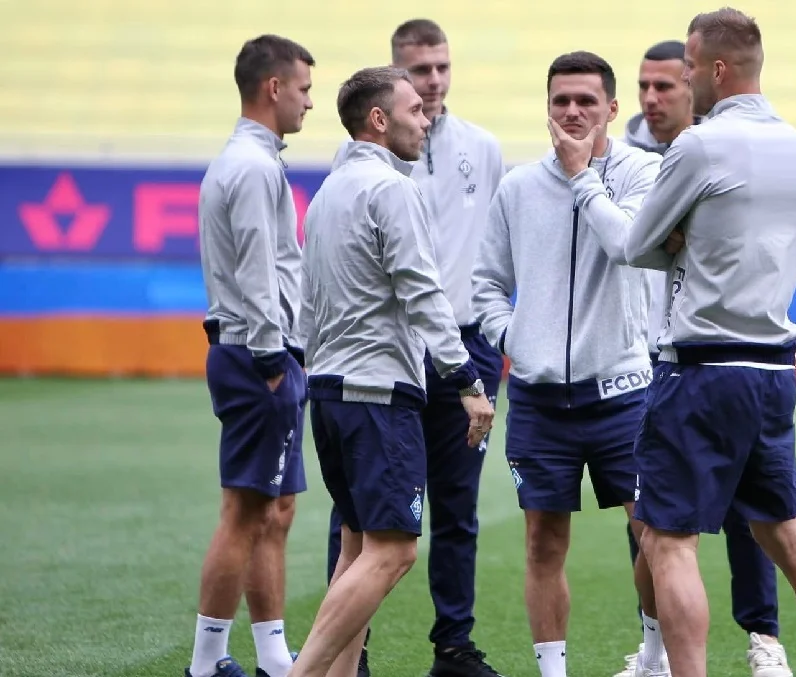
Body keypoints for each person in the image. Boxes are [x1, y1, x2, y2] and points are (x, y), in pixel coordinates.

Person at [623, 8, 796, 677]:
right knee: (790, 540)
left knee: (669, 541)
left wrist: (684, 238)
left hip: (700, 368)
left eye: (690, 67)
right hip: (773, 369)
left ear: (717, 69)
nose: (684, 78)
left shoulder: (699, 145)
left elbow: (637, 244)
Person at [288, 65, 495, 677]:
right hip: (378, 393)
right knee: (395, 551)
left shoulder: (327, 193)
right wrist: (467, 381)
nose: (426, 120)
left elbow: (307, 302)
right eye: (414, 111)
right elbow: (423, 291)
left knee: (356, 546)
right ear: (378, 120)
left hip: (330, 390)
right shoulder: (393, 190)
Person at [471, 50, 662, 677]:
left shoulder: (643, 172)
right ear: (547, 107)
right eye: (562, 101)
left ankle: (655, 655)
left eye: (587, 101)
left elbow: (627, 245)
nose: (573, 111)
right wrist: (515, 339)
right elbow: (486, 283)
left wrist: (583, 176)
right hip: (539, 397)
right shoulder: (518, 187)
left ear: (613, 107)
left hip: (624, 392)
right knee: (543, 540)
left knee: (653, 534)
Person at [616, 38, 791, 677]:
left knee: (748, 517)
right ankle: (655, 649)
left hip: (705, 355)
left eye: (668, 83)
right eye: (644, 86)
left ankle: (764, 637)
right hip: (642, 356)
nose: (653, 97)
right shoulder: (625, 157)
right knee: (649, 519)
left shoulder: (720, 147)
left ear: (695, 83)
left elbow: (644, 242)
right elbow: (634, 244)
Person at [189, 33, 314, 677]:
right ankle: (206, 662)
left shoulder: (245, 160)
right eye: (304, 88)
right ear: (274, 87)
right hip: (256, 354)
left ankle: (271, 656)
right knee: (245, 513)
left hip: (252, 350)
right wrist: (272, 360)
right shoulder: (255, 166)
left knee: (274, 511)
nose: (309, 102)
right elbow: (259, 271)